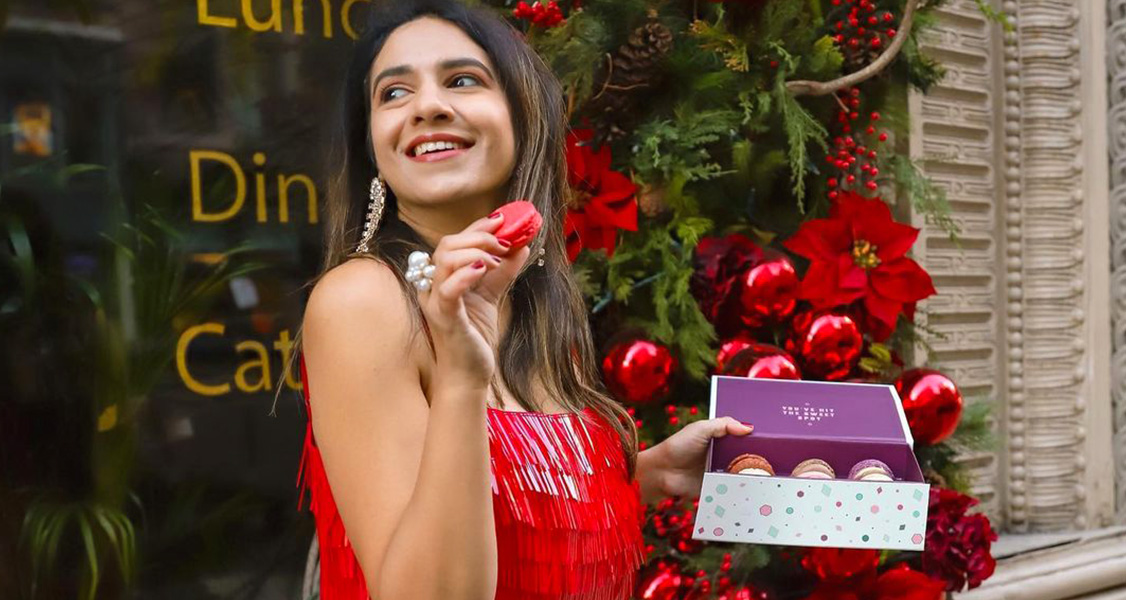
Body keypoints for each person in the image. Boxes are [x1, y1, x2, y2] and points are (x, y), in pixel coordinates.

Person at [292, 1, 754, 598]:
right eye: (393, 94)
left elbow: (510, 518)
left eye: (462, 80)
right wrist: (461, 376)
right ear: (374, 146)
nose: (427, 106)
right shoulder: (364, 301)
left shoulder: (526, 303)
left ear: (521, 117)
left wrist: (651, 475)